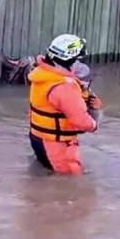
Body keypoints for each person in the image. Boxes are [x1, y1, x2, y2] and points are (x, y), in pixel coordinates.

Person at [27, 34, 103, 175]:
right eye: (78, 59)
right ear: (70, 60)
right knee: (70, 185)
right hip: (57, 146)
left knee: (44, 179)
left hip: (38, 138)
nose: (80, 64)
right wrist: (96, 118)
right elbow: (83, 123)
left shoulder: (41, 74)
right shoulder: (65, 86)